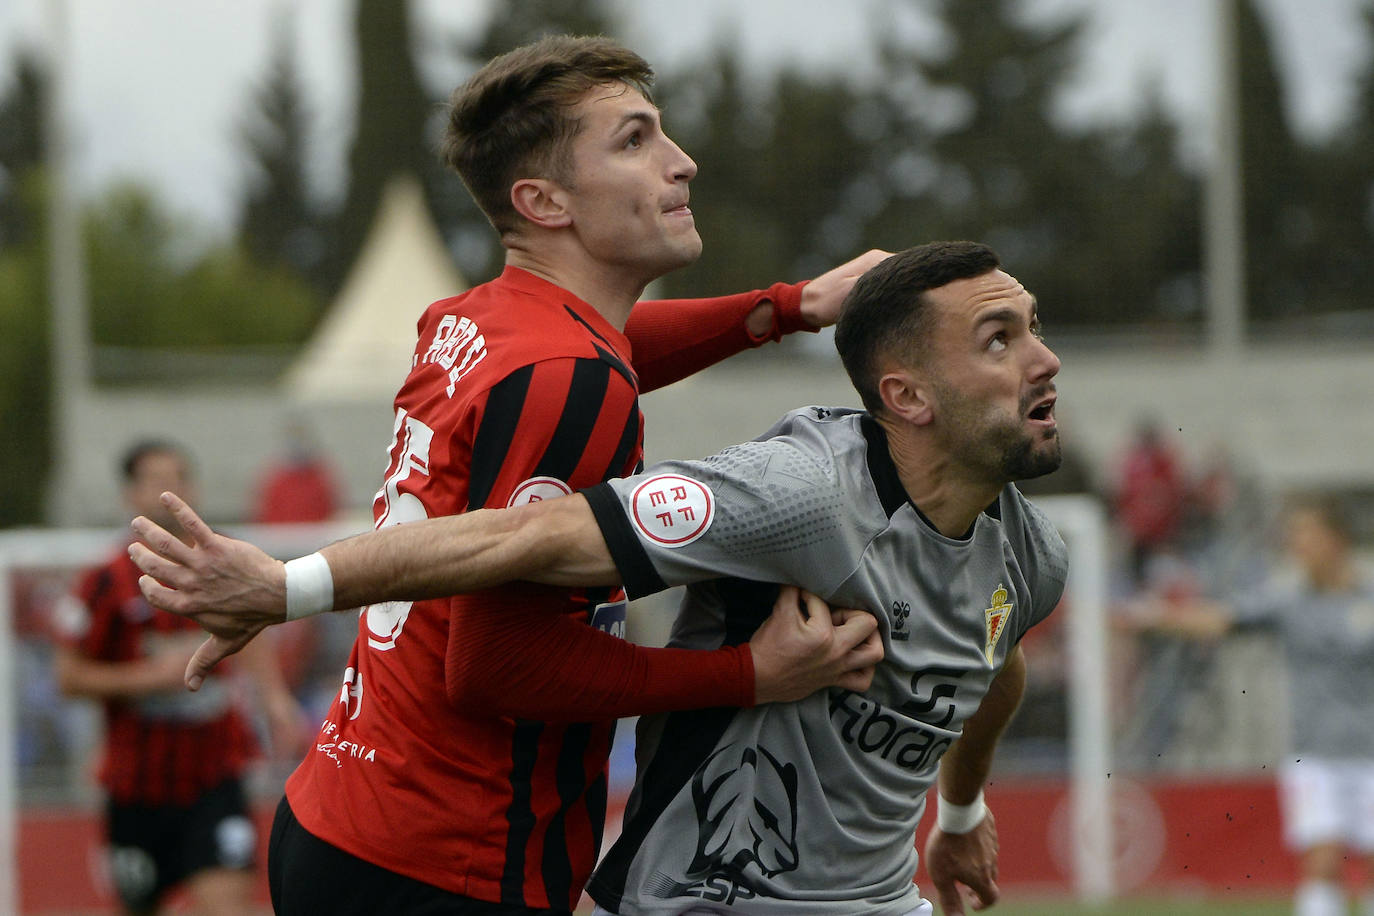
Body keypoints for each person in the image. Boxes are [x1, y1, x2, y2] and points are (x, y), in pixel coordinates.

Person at [140, 35, 887, 916]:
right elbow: (499, 670)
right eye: (635, 141)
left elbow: (602, 354)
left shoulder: (477, 318)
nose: (681, 162)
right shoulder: (568, 376)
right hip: (443, 860)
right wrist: (749, 675)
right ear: (543, 200)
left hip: (345, 813)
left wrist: (787, 307)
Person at [131, 240, 1070, 915]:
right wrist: (287, 587)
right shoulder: (800, 494)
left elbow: (996, 660)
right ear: (903, 396)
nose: (1046, 359)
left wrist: (962, 807)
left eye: (1034, 327)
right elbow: (523, 542)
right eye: (1000, 339)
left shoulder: (1031, 558)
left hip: (884, 899)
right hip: (674, 896)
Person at [52, 440, 304, 916]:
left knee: (228, 906)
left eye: (180, 477)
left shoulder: (226, 563)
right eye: (155, 479)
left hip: (214, 780)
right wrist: (150, 678)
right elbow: (69, 677)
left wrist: (275, 700)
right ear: (130, 494)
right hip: (136, 788)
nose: (170, 489)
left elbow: (253, 634)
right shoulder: (104, 580)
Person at [1122, 495, 1374, 916]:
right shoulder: (1289, 601)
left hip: (1369, 753)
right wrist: (1154, 616)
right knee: (1322, 858)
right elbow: (1222, 618)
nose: (1297, 545)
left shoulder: (1368, 599)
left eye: (1306, 534)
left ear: (1336, 539)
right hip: (1314, 754)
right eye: (1294, 536)